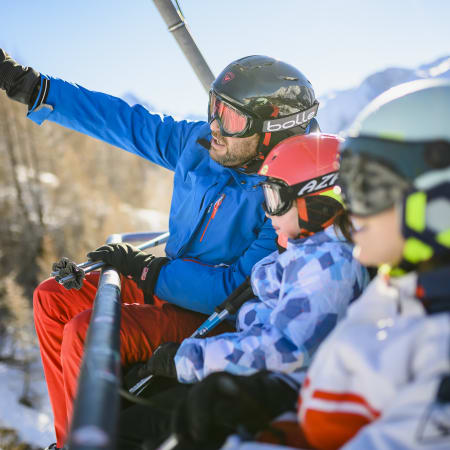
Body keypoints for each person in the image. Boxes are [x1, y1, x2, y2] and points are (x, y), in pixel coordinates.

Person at [0, 51, 320, 449]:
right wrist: (31, 87)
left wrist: (147, 271)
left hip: (213, 315)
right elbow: (123, 121)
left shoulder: (285, 193)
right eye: (214, 108)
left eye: (232, 118)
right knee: (52, 297)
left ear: (271, 131)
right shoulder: (201, 145)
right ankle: (70, 440)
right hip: (168, 281)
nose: (216, 125)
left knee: (89, 332)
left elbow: (236, 288)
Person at [174, 79, 450, 450]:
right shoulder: (394, 293)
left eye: (367, 187)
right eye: (347, 185)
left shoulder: (438, 350)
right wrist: (273, 400)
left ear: (439, 205)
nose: (348, 204)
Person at [116, 133, 368, 449]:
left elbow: (283, 349)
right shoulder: (305, 251)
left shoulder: (328, 265)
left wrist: (188, 359)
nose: (268, 213)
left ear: (318, 201)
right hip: (255, 372)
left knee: (131, 428)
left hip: (279, 391)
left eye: (276, 199)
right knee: (135, 407)